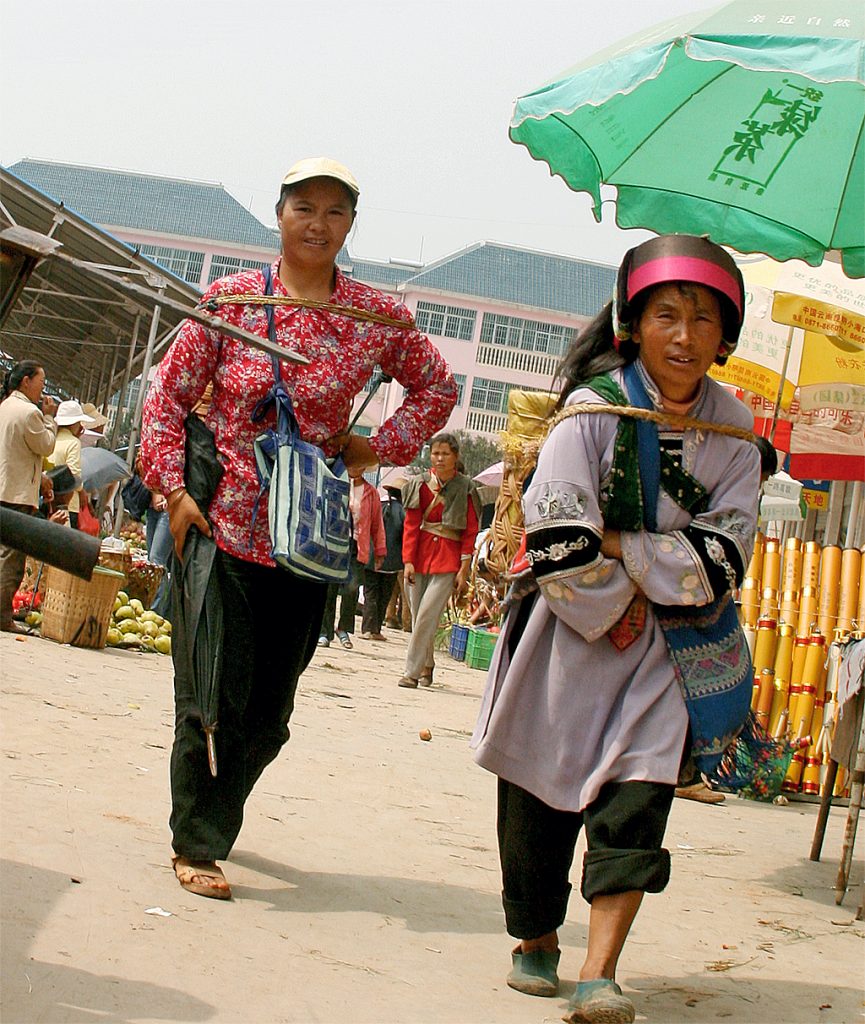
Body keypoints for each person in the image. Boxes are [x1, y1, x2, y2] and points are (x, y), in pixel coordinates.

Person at [141, 157, 456, 900]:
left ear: (350, 224)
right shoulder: (230, 299)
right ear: (278, 215)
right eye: (303, 208)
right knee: (213, 689)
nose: (318, 224)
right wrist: (174, 492)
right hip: (223, 524)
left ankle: (219, 806)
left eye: (335, 212)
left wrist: (379, 445)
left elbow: (437, 384)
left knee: (271, 713)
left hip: (310, 539)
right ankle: (199, 840)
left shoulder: (376, 316)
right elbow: (168, 396)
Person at [470, 235, 760, 1024]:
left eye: (704, 320)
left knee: (638, 799)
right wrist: (639, 569)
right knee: (536, 800)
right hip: (569, 635)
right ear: (632, 324)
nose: (684, 335)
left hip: (668, 648)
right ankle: (535, 937)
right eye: (665, 314)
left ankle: (601, 970)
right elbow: (558, 540)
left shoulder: (736, 431)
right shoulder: (589, 411)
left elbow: (723, 555)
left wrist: (620, 545)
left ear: (724, 338)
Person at [398, 433, 480, 688]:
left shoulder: (467, 487)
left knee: (426, 614)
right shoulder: (420, 484)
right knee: (421, 615)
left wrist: (464, 569)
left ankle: (411, 672)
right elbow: (411, 524)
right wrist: (408, 560)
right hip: (420, 555)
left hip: (448, 559)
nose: (440, 458)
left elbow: (470, 531)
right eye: (436, 453)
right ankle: (428, 664)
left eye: (445, 453)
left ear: (455, 456)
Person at [0, 361, 58, 633]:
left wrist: (41, 478)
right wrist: (48, 417)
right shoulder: (29, 413)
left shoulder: (5, 407)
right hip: (17, 495)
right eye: (41, 382)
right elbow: (46, 445)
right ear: (26, 381)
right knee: (11, 560)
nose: (43, 389)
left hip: (5, 487)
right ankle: (2, 615)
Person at [318, 475, 386, 649]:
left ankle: (344, 628)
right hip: (333, 542)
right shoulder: (335, 482)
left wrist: (380, 550)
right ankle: (325, 632)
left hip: (357, 545)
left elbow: (377, 523)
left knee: (352, 587)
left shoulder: (371, 493)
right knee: (329, 588)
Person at [362, 485, 405, 639]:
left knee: (370, 594)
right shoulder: (402, 511)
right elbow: (405, 536)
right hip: (392, 562)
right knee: (384, 596)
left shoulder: (376, 506)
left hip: (371, 558)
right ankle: (376, 630)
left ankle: (367, 629)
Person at [47, 400, 96, 529]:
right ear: (73, 424)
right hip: (69, 503)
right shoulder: (74, 443)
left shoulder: (51, 439)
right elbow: (74, 474)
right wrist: (81, 491)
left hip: (50, 498)